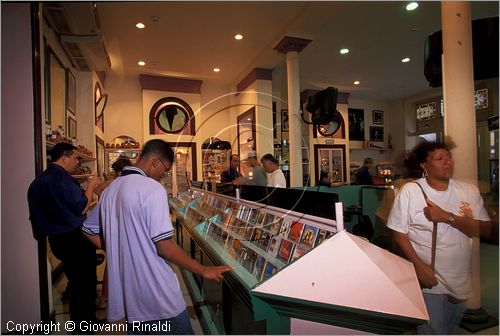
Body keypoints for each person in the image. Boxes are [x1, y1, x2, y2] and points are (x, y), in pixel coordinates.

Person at [82, 139, 232, 333]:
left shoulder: (111, 189)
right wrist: (202, 269)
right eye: (165, 169)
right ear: (155, 162)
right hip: (157, 295)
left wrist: (117, 247)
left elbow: (87, 230)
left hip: (131, 296)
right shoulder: (152, 189)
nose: (164, 175)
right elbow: (164, 247)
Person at [386, 141, 491, 335]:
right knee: (433, 331)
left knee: (448, 329)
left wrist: (448, 217)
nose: (447, 162)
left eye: (448, 157)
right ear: (424, 166)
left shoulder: (468, 191)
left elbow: (483, 230)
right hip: (429, 279)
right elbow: (398, 233)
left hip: (460, 277)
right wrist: (419, 267)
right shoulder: (411, 191)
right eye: (439, 159)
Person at [28, 142, 101, 333]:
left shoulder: (38, 182)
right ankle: (84, 327)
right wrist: (92, 185)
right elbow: (81, 206)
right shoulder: (63, 180)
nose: (77, 162)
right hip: (75, 240)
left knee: (77, 283)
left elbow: (36, 218)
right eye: (76, 158)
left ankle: (85, 323)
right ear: (64, 158)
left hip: (56, 240)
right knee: (84, 286)